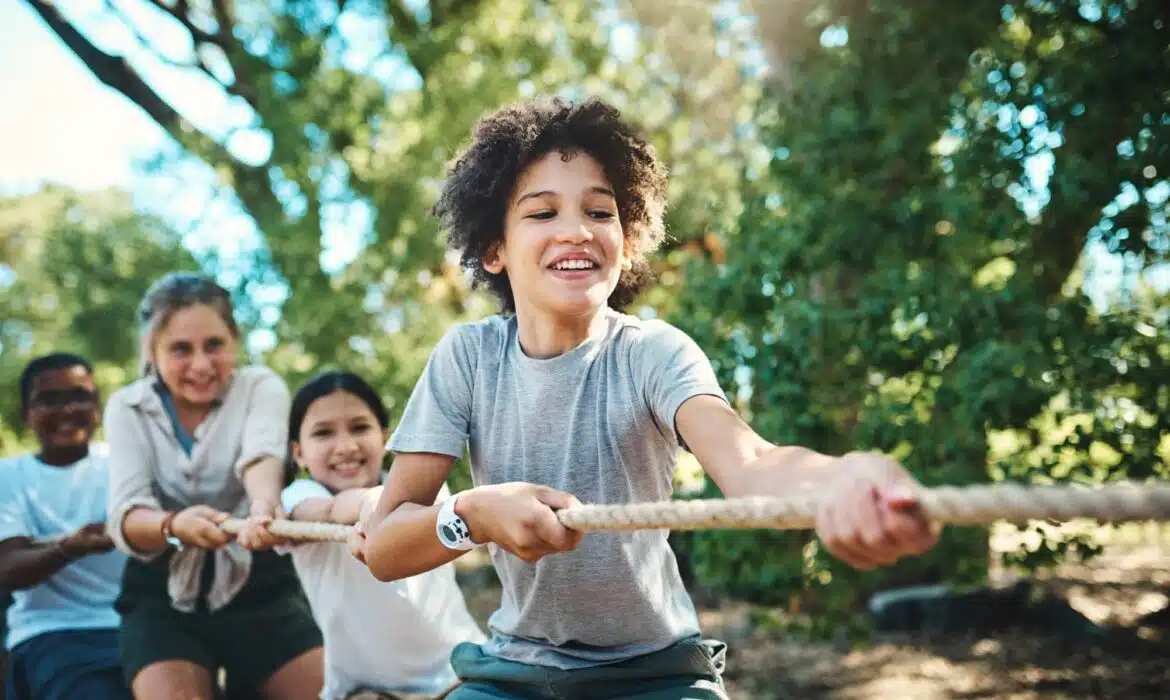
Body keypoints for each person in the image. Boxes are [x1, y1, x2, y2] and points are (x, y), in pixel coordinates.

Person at [354, 97, 943, 699]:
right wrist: (475, 514)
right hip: (515, 674)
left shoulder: (654, 353)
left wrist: (846, 476)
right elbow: (386, 548)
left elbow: (751, 463)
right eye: (541, 212)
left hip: (656, 675)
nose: (576, 229)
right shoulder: (467, 358)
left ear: (627, 240)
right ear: (493, 249)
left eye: (599, 211)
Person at [103, 272, 324, 700]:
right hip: (162, 594)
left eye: (214, 345)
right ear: (153, 350)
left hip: (259, 585)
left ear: (234, 340)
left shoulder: (261, 387)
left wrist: (263, 506)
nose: (201, 365)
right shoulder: (127, 407)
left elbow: (260, 456)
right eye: (181, 349)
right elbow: (126, 513)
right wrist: (173, 525)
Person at [281, 371, 486, 700]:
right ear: (298, 453)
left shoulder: (425, 490)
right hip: (359, 690)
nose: (346, 446)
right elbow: (328, 510)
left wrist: (385, 504)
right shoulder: (298, 496)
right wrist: (370, 503)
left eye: (360, 427)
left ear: (386, 437)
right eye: (323, 433)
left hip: (455, 673)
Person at [0, 352, 131, 700]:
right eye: (49, 400)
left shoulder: (124, 464)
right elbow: (7, 569)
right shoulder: (8, 477)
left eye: (78, 397)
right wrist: (72, 546)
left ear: (97, 407)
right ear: (27, 414)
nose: (67, 410)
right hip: (54, 632)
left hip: (140, 626)